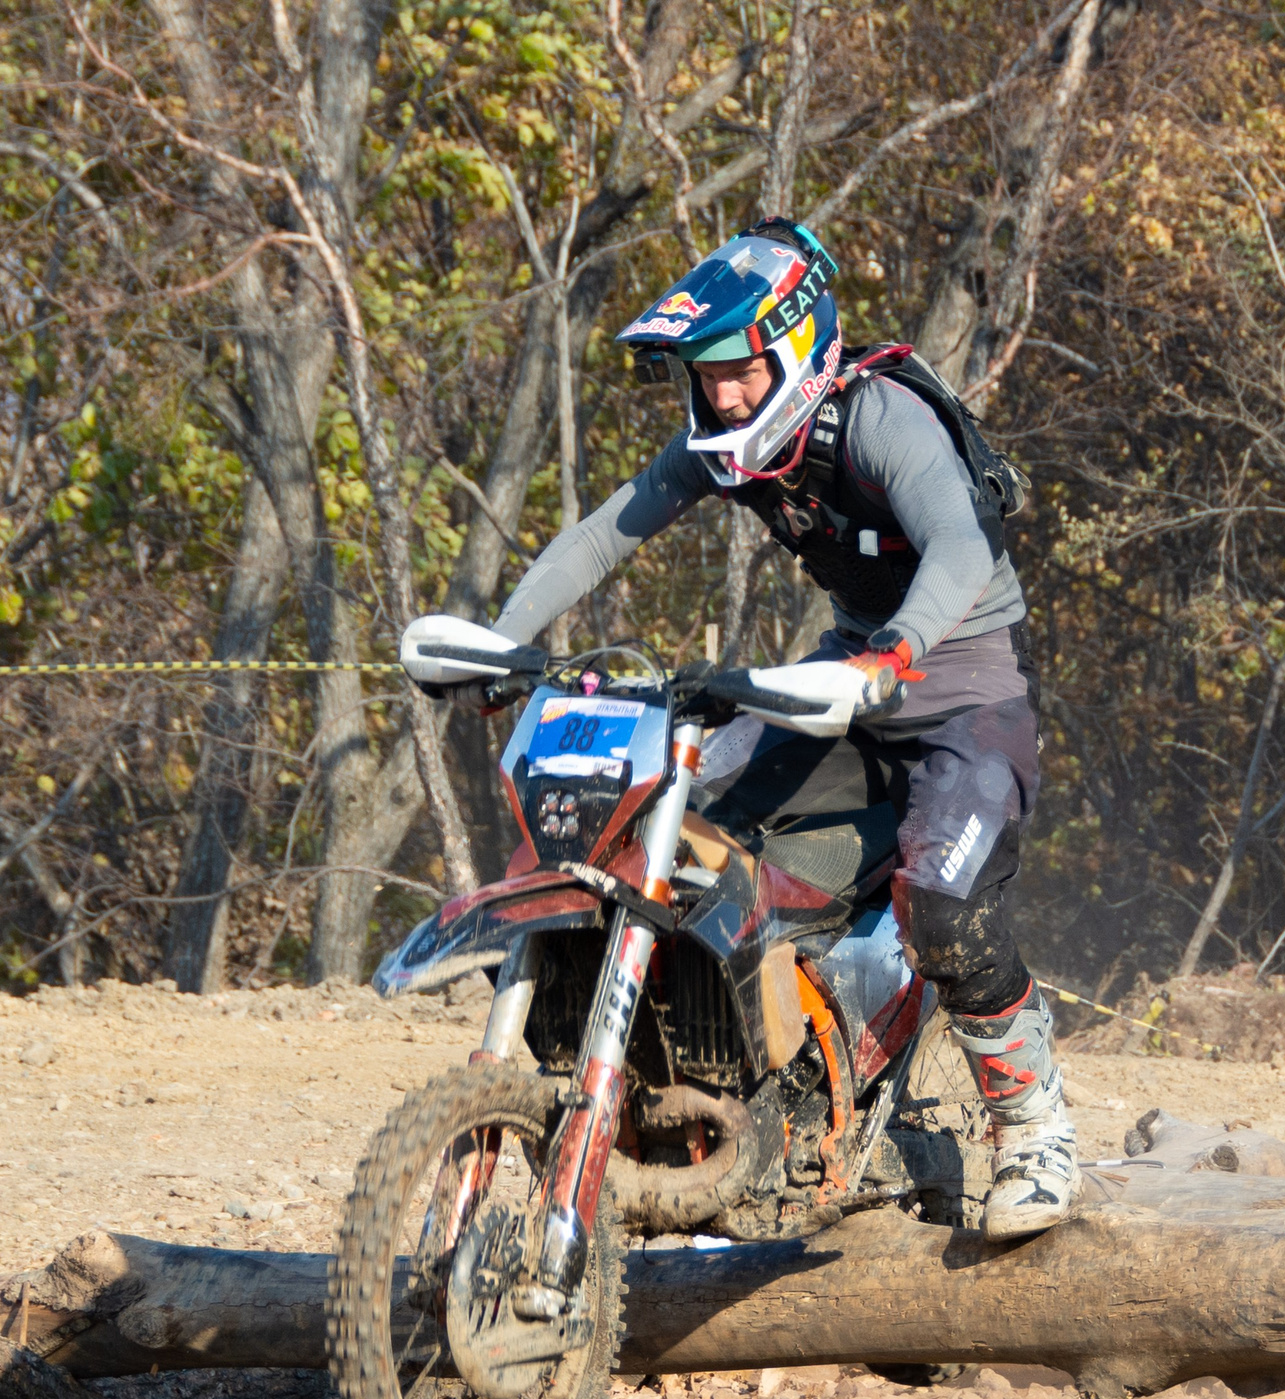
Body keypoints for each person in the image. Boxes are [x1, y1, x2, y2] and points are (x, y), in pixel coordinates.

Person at [426, 218, 1074, 1239]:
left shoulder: (877, 417)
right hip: (841, 678)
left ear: (797, 346)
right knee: (688, 853)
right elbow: (606, 531)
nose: (720, 393)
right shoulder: (720, 447)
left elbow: (959, 541)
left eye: (737, 368)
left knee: (945, 909)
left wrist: (894, 653)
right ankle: (739, 1099)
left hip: (962, 689)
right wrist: (501, 645)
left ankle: (1032, 1128)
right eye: (702, 373)